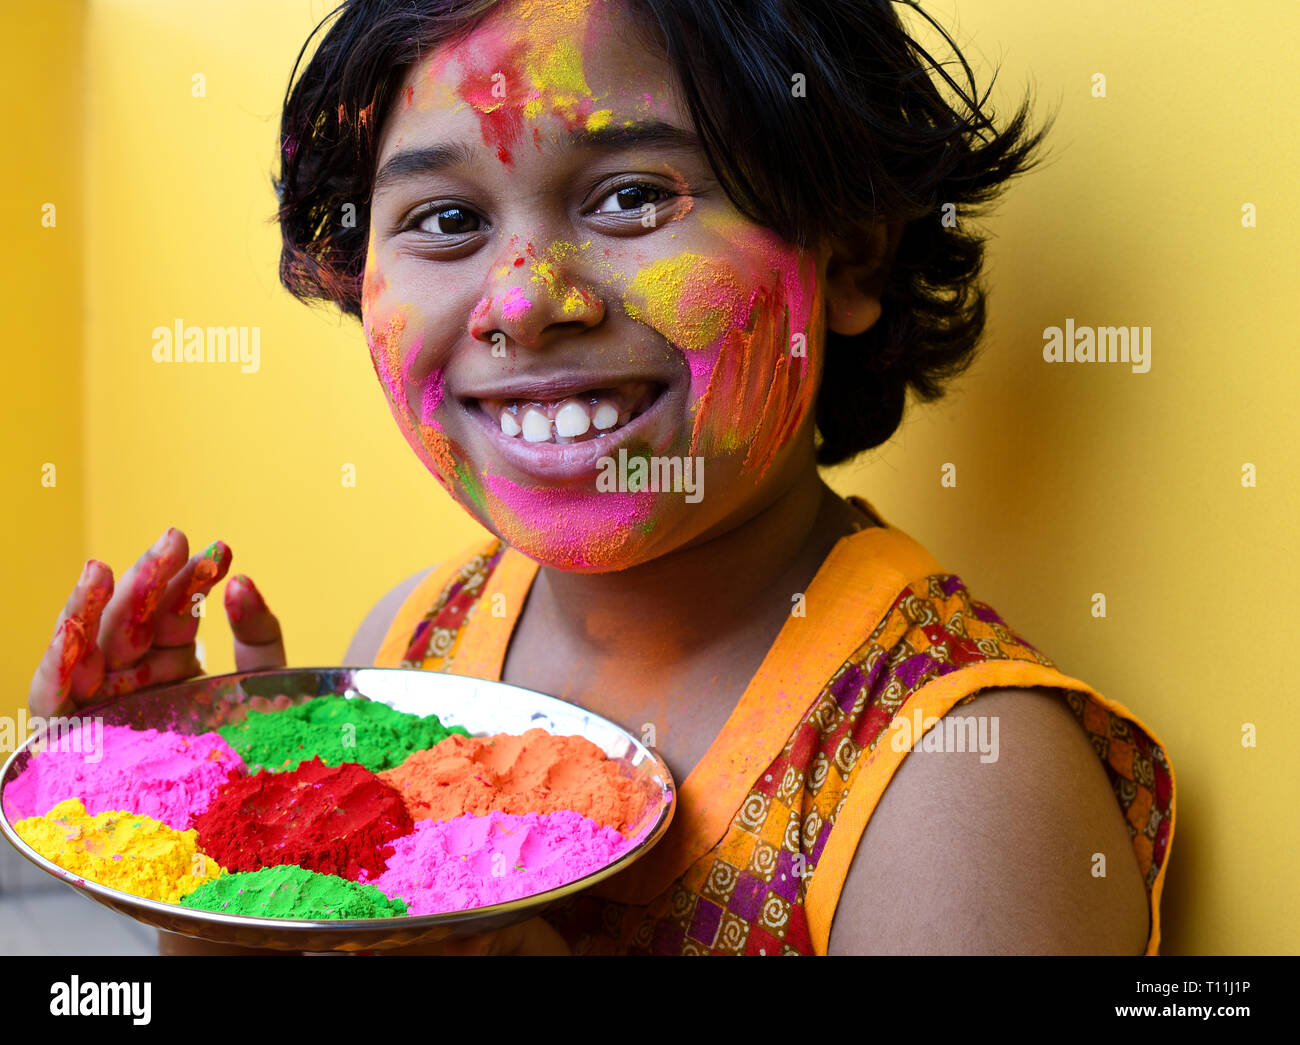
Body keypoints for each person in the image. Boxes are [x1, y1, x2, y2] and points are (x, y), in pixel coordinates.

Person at [29, 0, 1174, 955]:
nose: (525, 302)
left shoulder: (958, 790)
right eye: (443, 218)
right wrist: (226, 879)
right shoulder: (419, 645)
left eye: (633, 196)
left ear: (852, 252)